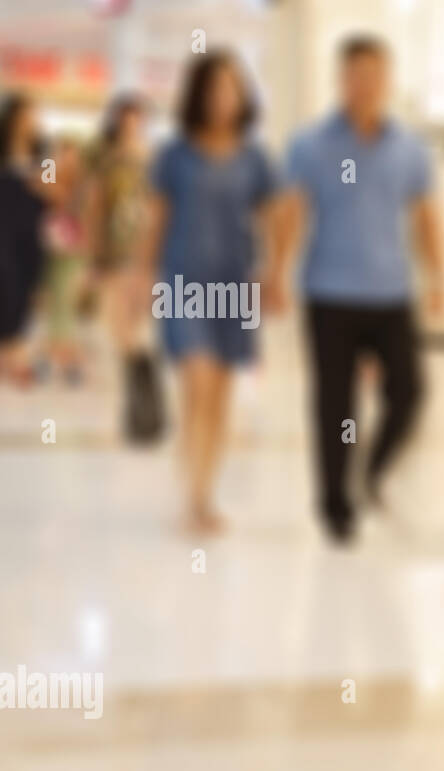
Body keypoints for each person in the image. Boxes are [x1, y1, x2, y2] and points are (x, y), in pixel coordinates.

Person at [282, 34, 444, 543]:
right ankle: (335, 505)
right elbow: (292, 210)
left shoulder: (410, 150)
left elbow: (425, 217)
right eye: (356, 74)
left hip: (391, 293)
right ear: (342, 79)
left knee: (410, 391)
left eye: (375, 75)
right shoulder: (310, 145)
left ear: (388, 80)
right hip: (329, 293)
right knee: (335, 404)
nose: (366, 84)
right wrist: (274, 270)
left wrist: (439, 278)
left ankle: (371, 468)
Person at [134, 50, 286, 534]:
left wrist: (276, 273)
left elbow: (273, 216)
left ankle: (205, 495)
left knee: (220, 396)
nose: (225, 97)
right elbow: (155, 220)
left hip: (234, 283)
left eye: (233, 87)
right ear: (199, 94)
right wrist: (141, 276)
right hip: (183, 281)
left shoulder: (254, 158)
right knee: (197, 382)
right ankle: (192, 497)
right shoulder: (173, 156)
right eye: (216, 87)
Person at [86, 93, 161, 438]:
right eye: (126, 118)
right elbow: (95, 208)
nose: (131, 125)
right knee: (119, 329)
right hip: (114, 253)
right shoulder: (105, 161)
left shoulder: (154, 160)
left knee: (135, 326)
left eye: (136, 118)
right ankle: (138, 390)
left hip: (143, 253)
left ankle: (142, 401)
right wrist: (93, 254)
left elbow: (162, 209)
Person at [0, 93, 56, 386]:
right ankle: (10, 353)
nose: (29, 123)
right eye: (24, 116)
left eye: (33, 117)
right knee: (6, 281)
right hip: (3, 224)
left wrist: (38, 182)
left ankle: (15, 352)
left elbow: (53, 193)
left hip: (31, 227)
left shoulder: (43, 155)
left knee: (26, 286)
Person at [39, 135, 90, 384]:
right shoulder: (51, 172)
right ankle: (59, 357)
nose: (67, 158)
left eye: (71, 153)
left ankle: (66, 359)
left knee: (66, 302)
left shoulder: (83, 182)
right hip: (53, 247)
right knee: (56, 303)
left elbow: (81, 210)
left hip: (74, 249)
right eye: (63, 152)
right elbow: (47, 195)